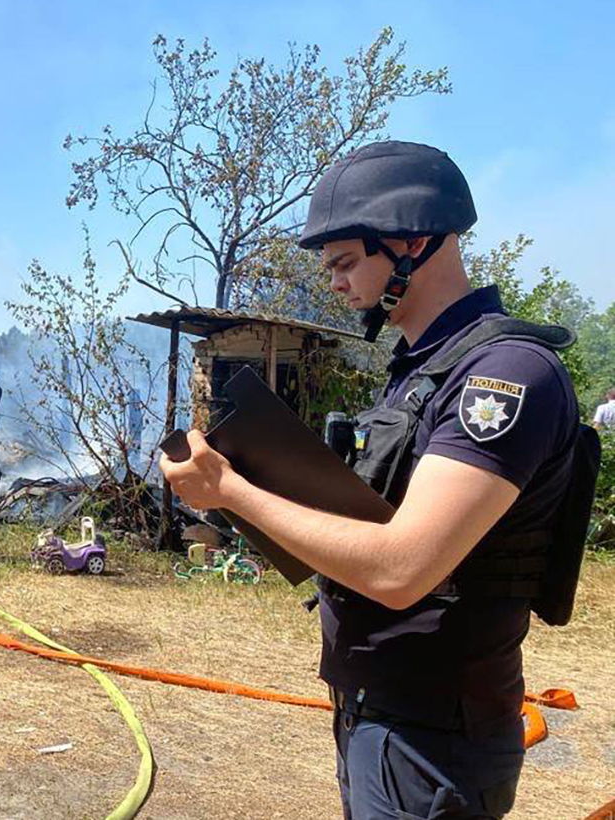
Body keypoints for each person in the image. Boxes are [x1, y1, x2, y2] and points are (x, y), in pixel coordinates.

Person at [160, 141, 584, 819]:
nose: (334, 283)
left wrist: (229, 492)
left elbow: (403, 568)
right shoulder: (419, 371)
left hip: (434, 734)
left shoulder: (504, 377)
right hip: (377, 712)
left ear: (414, 241)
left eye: (346, 262)